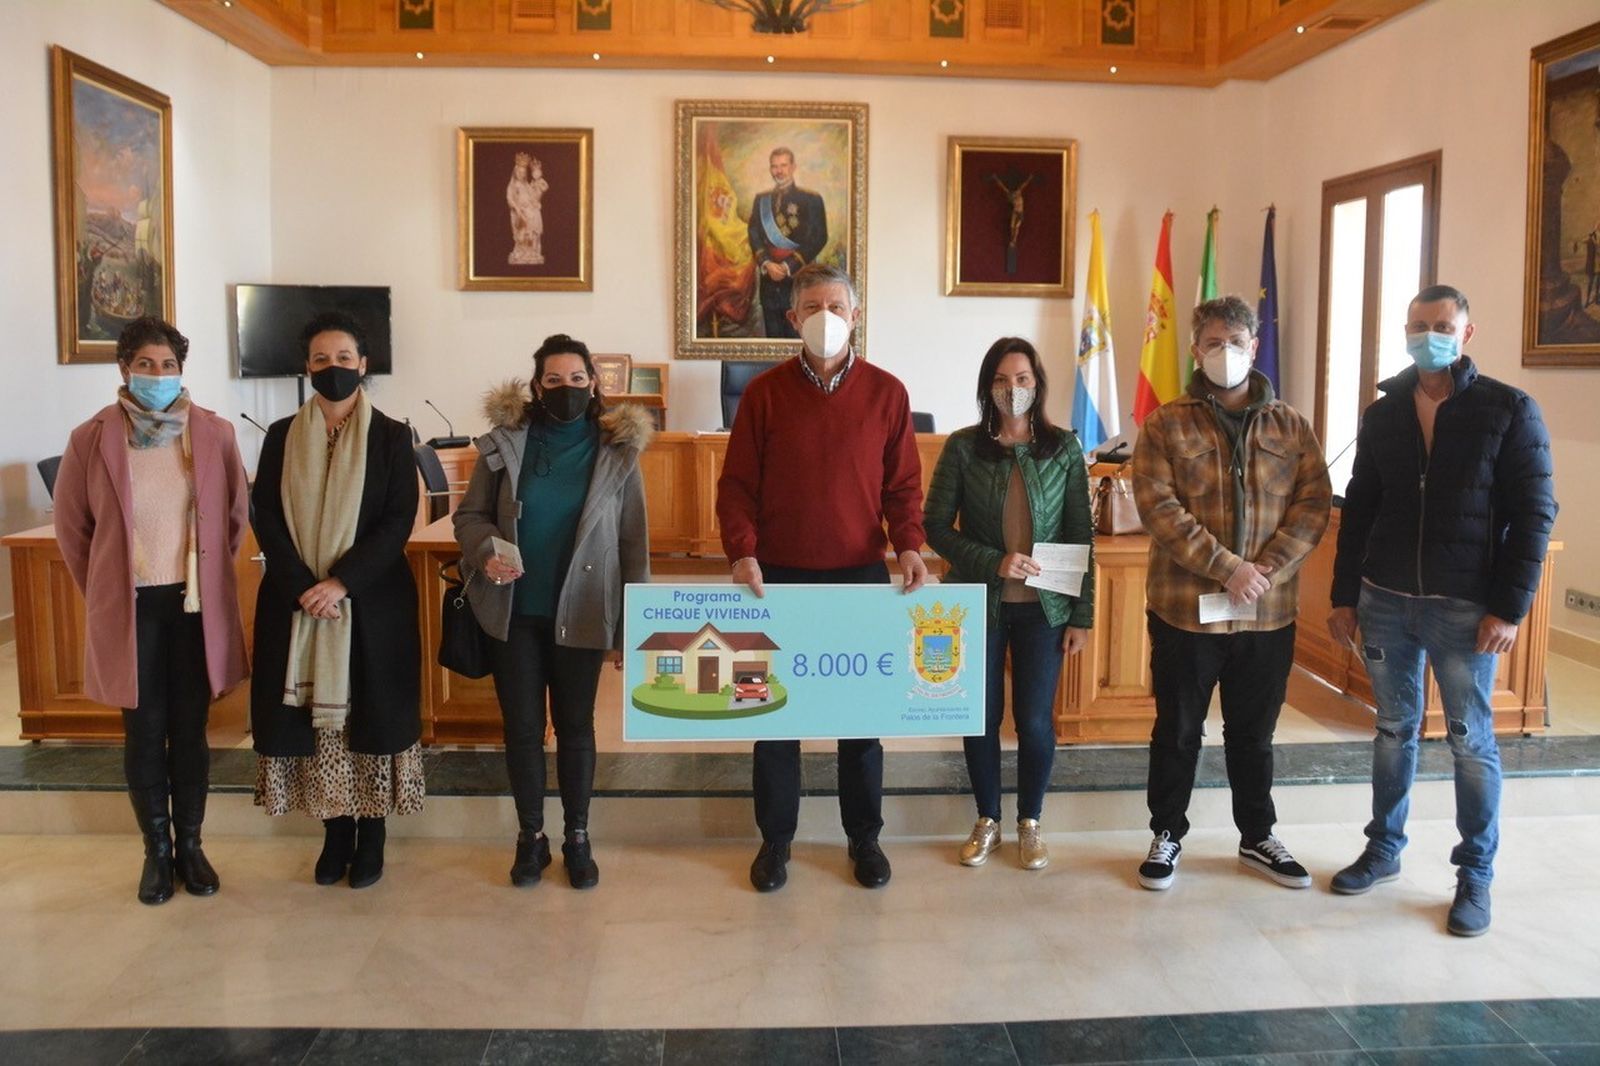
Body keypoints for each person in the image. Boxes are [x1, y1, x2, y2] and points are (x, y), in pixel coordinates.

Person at [1327, 284, 1557, 937]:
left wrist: (1509, 608)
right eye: (1419, 324)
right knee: (1393, 730)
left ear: (1466, 331)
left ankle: (1475, 874)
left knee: (1469, 742)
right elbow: (1360, 506)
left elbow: (1535, 515)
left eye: (1442, 324)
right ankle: (1383, 850)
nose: (1430, 334)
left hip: (1465, 607)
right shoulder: (1385, 413)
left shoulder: (1508, 410)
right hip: (1387, 600)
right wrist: (1346, 595)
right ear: (1406, 331)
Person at [717, 261, 927, 892]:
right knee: (772, 719)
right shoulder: (764, 393)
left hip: (859, 579)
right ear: (791, 317)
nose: (825, 318)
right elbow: (736, 488)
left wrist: (910, 547)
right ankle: (776, 842)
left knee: (860, 718)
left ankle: (864, 838)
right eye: (812, 306)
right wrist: (741, 550)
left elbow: (903, 489)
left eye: (837, 306)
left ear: (856, 315)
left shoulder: (888, 394)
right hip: (775, 582)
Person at [1132, 295, 1331, 893]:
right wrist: (1227, 569)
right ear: (1196, 350)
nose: (1225, 353)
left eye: (1236, 343)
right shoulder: (1165, 423)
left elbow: (1313, 504)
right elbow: (1158, 508)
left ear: (1254, 348)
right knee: (1177, 730)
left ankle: (1258, 836)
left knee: (1254, 735)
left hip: (1267, 614)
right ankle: (1166, 833)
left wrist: (1263, 569)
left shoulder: (1291, 426)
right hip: (1185, 612)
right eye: (1213, 342)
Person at [55, 317, 250, 904]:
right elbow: (73, 530)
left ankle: (191, 845)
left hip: (193, 608)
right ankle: (156, 854)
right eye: (146, 364)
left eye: (169, 366)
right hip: (132, 608)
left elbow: (234, 518)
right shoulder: (91, 438)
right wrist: (111, 591)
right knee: (143, 731)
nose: (158, 376)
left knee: (190, 730)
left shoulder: (212, 433)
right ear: (124, 369)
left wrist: (208, 581)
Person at [453, 334, 652, 889]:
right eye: (554, 380)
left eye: (577, 379)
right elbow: (468, 518)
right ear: (537, 386)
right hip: (515, 612)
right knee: (521, 729)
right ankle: (530, 838)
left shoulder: (618, 451)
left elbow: (634, 542)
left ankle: (578, 838)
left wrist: (631, 629)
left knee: (575, 728)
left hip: (584, 614)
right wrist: (487, 548)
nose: (566, 388)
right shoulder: (504, 443)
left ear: (594, 383)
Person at [250, 310, 423, 889]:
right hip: (296, 603)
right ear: (307, 366)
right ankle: (335, 831)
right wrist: (304, 584)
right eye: (321, 359)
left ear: (364, 365)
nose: (334, 369)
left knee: (367, 719)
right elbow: (265, 516)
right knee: (320, 728)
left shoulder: (395, 436)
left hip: (370, 605)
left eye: (344, 359)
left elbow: (398, 520)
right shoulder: (279, 436)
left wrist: (341, 582)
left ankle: (371, 835)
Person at [925, 337, 1094, 870]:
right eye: (1001, 379)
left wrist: (1082, 615)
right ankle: (988, 819)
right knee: (981, 717)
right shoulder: (962, 446)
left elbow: (1078, 533)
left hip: (1044, 610)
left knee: (1035, 721)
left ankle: (1030, 822)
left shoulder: (1063, 448)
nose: (1012, 389)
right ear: (987, 387)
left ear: (1037, 385)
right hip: (981, 603)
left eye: (1022, 379)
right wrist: (991, 560)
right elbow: (934, 527)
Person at [746, 147, 828, 339]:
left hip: (799, 281)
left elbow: (818, 237)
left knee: (800, 343)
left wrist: (787, 266)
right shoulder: (761, 200)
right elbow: (754, 233)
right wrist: (766, 263)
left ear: (793, 167)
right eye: (774, 166)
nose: (779, 171)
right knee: (772, 343)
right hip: (769, 282)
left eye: (783, 165)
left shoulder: (811, 199)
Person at [507, 152, 548, 266]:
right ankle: (521, 252)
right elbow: (510, 198)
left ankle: (532, 253)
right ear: (516, 172)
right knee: (522, 234)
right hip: (520, 214)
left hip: (530, 213)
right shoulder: (513, 185)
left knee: (532, 233)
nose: (522, 174)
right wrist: (517, 209)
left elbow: (534, 197)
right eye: (519, 172)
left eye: (524, 172)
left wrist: (537, 182)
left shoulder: (527, 185)